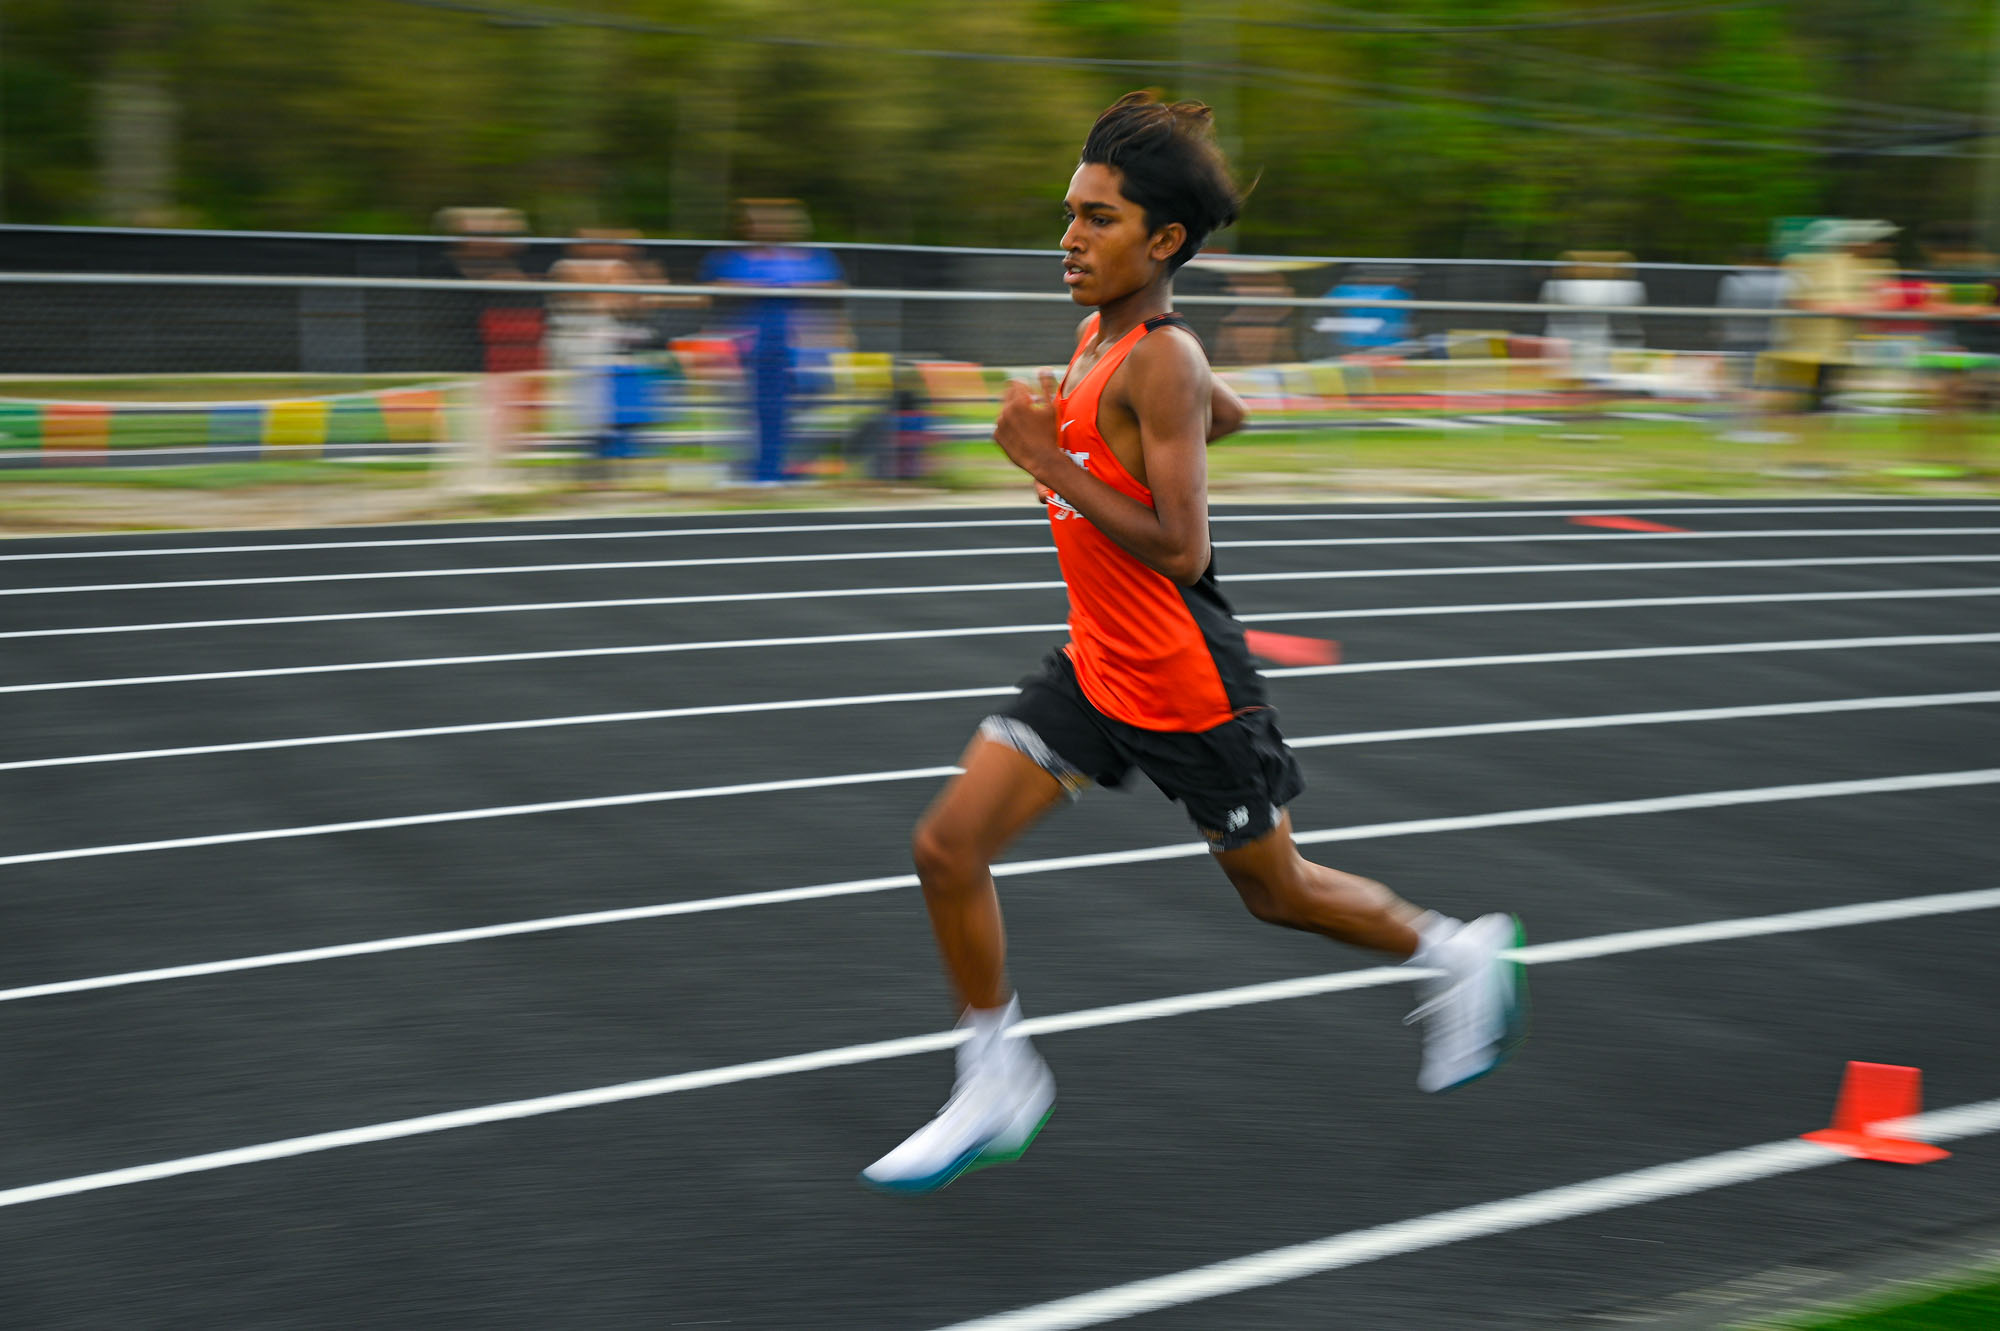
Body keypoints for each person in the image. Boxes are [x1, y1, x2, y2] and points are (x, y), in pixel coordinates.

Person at [860, 92, 1525, 1195]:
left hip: (1182, 684)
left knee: (1276, 890)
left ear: (1163, 240)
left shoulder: (1158, 358)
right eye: (1069, 212)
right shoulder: (1105, 337)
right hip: (1095, 665)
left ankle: (1455, 952)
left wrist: (1046, 460)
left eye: (1098, 218)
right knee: (947, 847)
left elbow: (1180, 546)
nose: (1069, 237)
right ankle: (995, 1075)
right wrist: (1148, 433)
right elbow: (1229, 416)